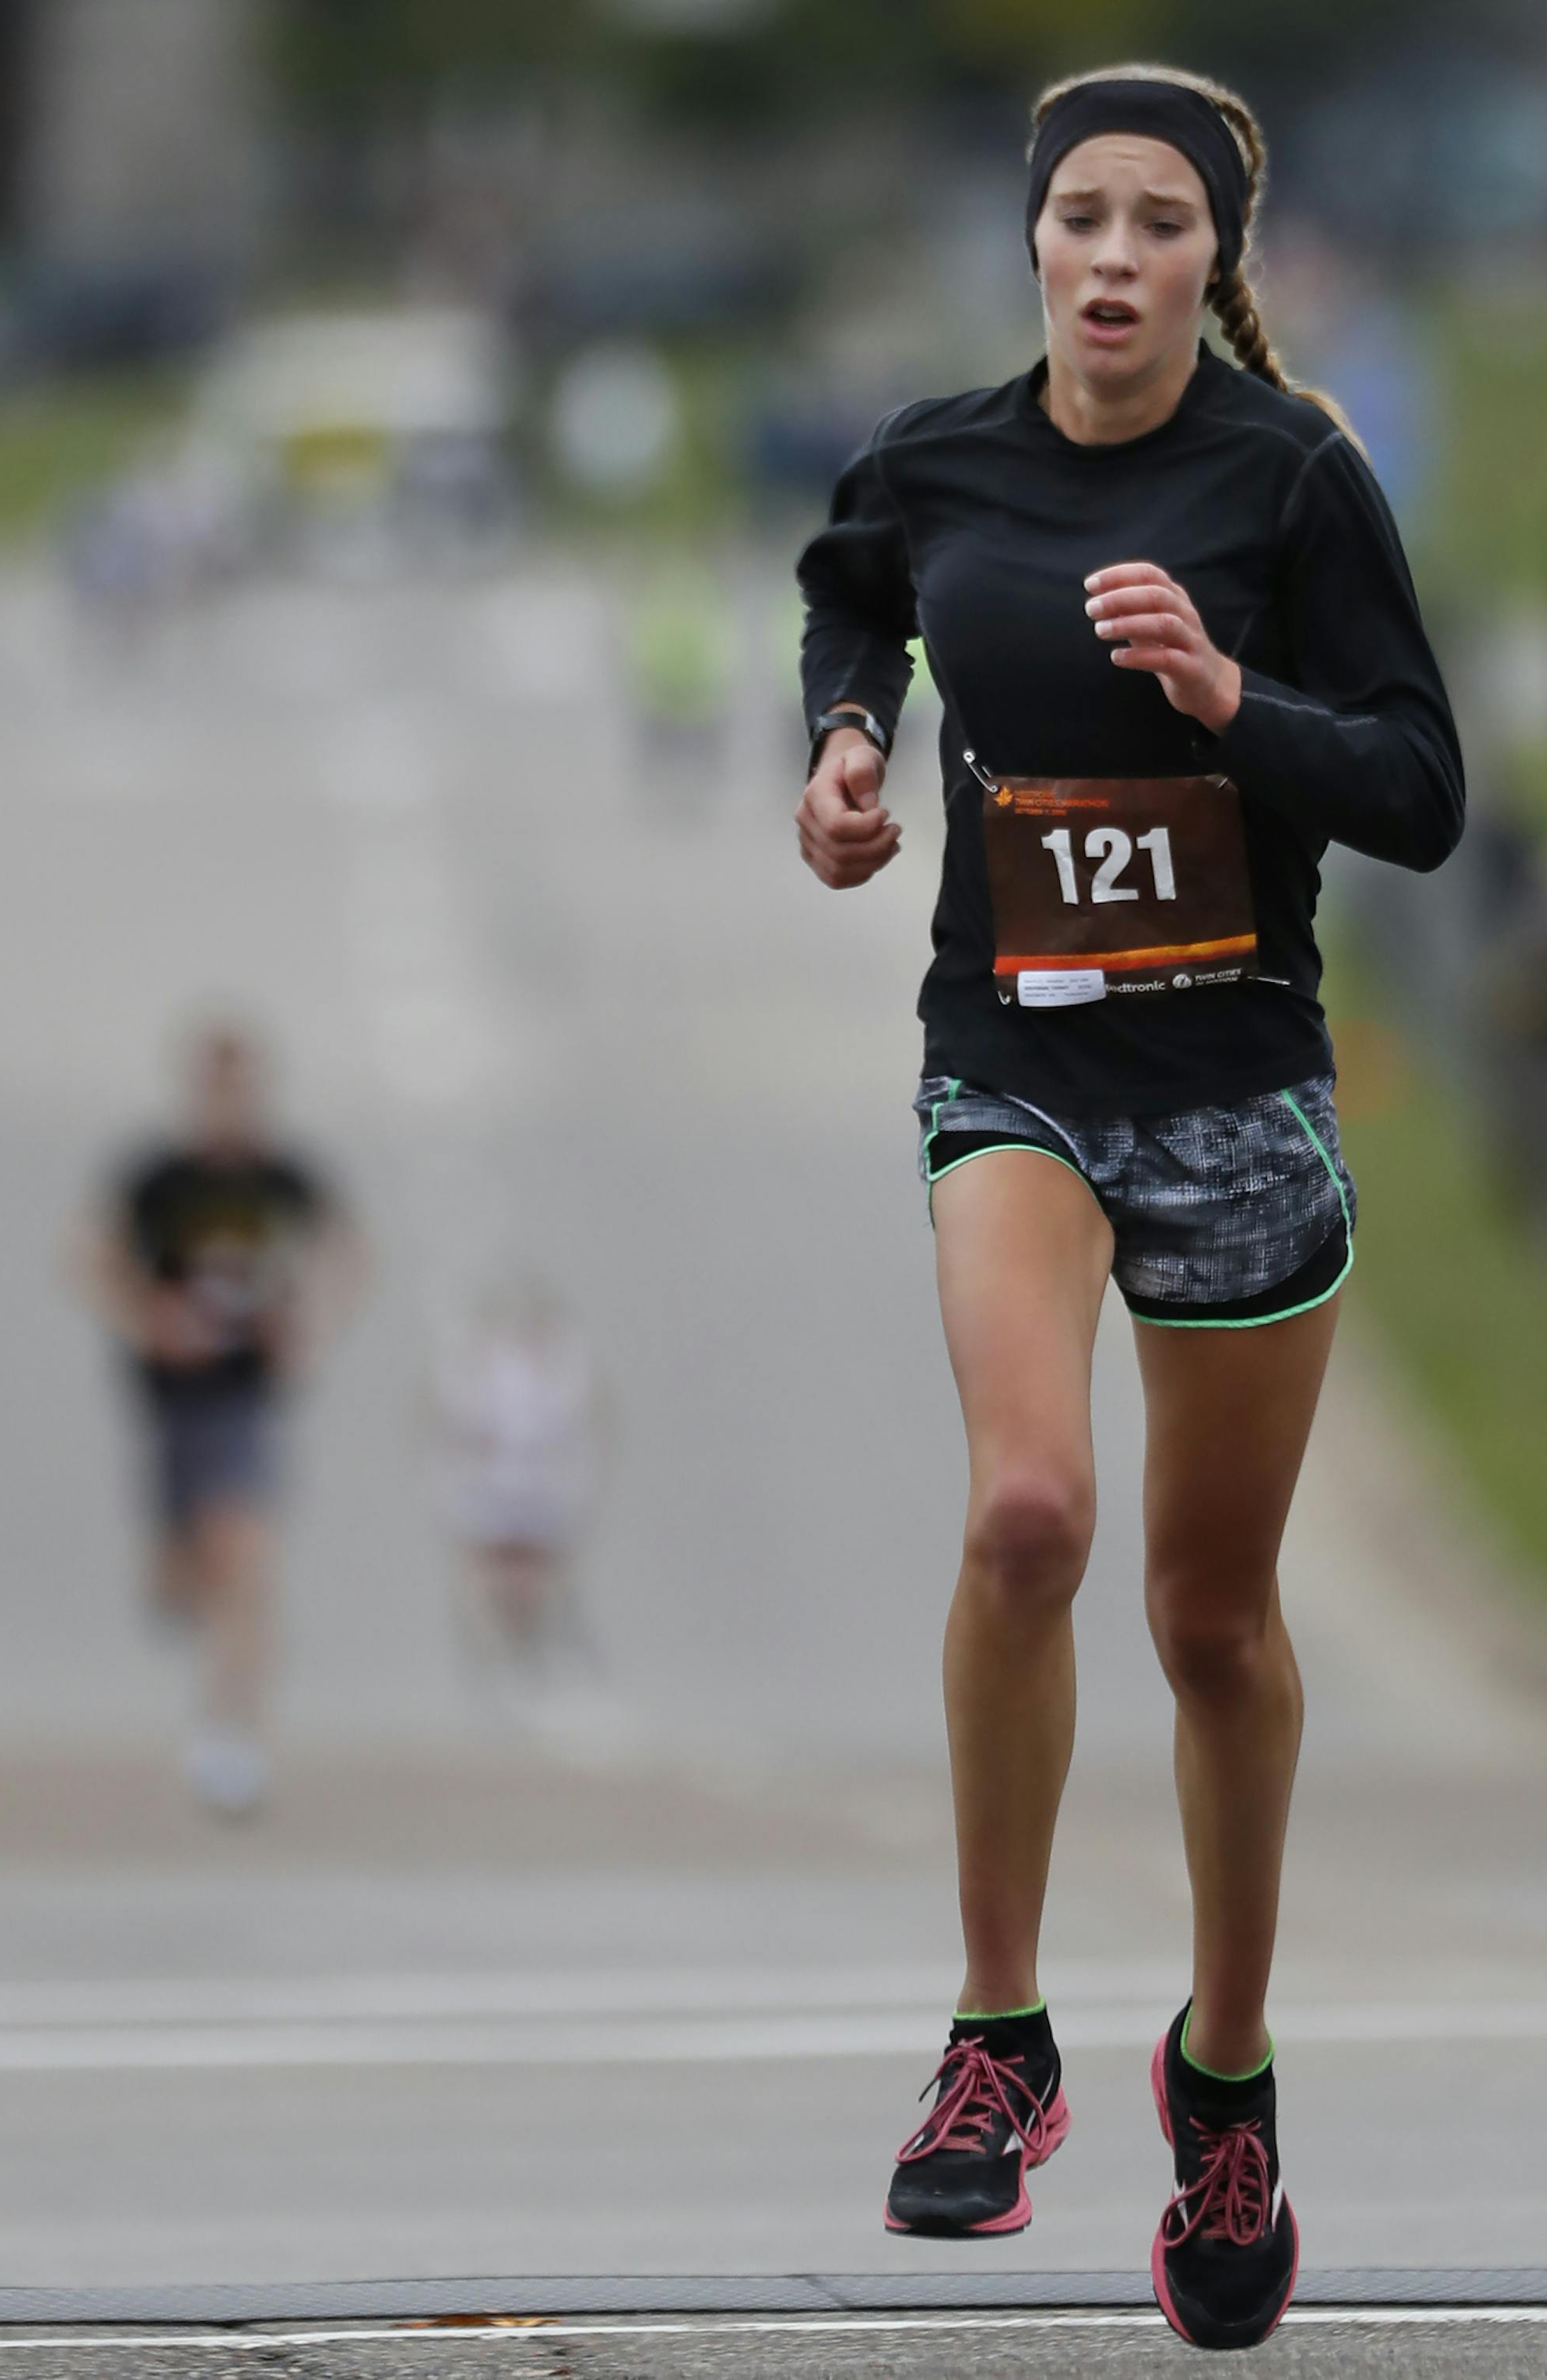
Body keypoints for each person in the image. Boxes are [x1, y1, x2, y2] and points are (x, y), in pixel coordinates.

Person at [795, 64, 1461, 2352]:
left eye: (1156, 221)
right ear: (1032, 237)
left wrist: (1224, 695)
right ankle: (996, 2035)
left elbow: (1420, 787)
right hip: (1014, 1061)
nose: (1109, 255)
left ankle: (1226, 2077)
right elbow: (852, 594)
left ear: (1211, 258)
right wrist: (843, 748)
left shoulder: (1293, 477)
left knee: (1209, 1624)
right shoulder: (936, 458)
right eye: (1077, 212)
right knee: (1026, 1517)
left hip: (1237, 1089)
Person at [72, 1025, 366, 1815]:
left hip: (245, 1399)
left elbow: (346, 1251)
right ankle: (188, 1588)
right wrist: (147, 1316)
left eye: (242, 1089)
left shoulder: (284, 1177)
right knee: (180, 1586)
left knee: (246, 1560)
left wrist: (311, 1323)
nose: (230, 1104)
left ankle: (232, 1735)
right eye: (216, 1089)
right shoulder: (159, 1178)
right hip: (172, 1403)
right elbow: (89, 1254)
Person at [428, 1274, 608, 1722]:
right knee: (490, 1581)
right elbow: (446, 1424)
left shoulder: (567, 1365)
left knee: (535, 1581)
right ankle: (496, 1667)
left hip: (541, 1489)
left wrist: (579, 1489)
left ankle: (539, 1657)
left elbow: (589, 1424)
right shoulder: (471, 1365)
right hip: (492, 1490)